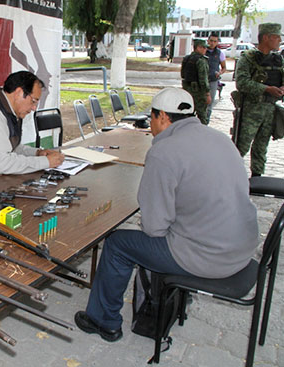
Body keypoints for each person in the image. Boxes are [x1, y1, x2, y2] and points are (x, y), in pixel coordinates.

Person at [75, 87, 258, 342]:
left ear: (162, 116)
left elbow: (154, 228)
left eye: (151, 117)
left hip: (210, 258)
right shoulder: (219, 138)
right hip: (243, 246)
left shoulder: (164, 151)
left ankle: (103, 320)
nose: (150, 124)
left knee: (117, 243)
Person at [235, 23, 284, 177]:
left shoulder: (278, 59)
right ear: (266, 37)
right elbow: (242, 83)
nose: (279, 41)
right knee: (240, 147)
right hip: (251, 109)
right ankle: (228, 176)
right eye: (276, 37)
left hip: (270, 109)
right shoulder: (248, 58)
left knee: (261, 147)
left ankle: (257, 179)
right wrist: (266, 89)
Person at [181, 39, 211, 124]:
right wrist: (207, 94)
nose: (205, 50)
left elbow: (183, 75)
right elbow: (203, 79)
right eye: (204, 47)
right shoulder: (201, 60)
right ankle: (201, 134)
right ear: (198, 47)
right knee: (202, 116)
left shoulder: (186, 58)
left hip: (187, 89)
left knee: (187, 113)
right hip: (198, 92)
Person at [206, 33, 227, 123]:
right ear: (208, 41)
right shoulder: (203, 50)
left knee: (210, 103)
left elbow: (224, 67)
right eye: (211, 41)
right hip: (202, 80)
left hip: (213, 81)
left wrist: (219, 73)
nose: (212, 43)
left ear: (217, 42)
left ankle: (206, 122)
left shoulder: (220, 53)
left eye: (215, 41)